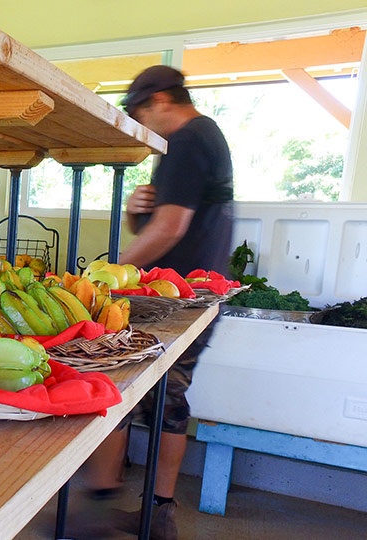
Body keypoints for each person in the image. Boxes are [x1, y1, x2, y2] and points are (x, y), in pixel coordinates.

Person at [84, 65, 234, 540]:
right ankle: (156, 513)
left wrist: (105, 276)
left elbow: (170, 229)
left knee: (120, 386)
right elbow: (156, 223)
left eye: (140, 113)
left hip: (176, 302)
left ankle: (99, 510)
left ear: (162, 101)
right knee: (165, 397)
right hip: (191, 294)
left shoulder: (189, 141)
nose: (142, 125)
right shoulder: (197, 141)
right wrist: (134, 212)